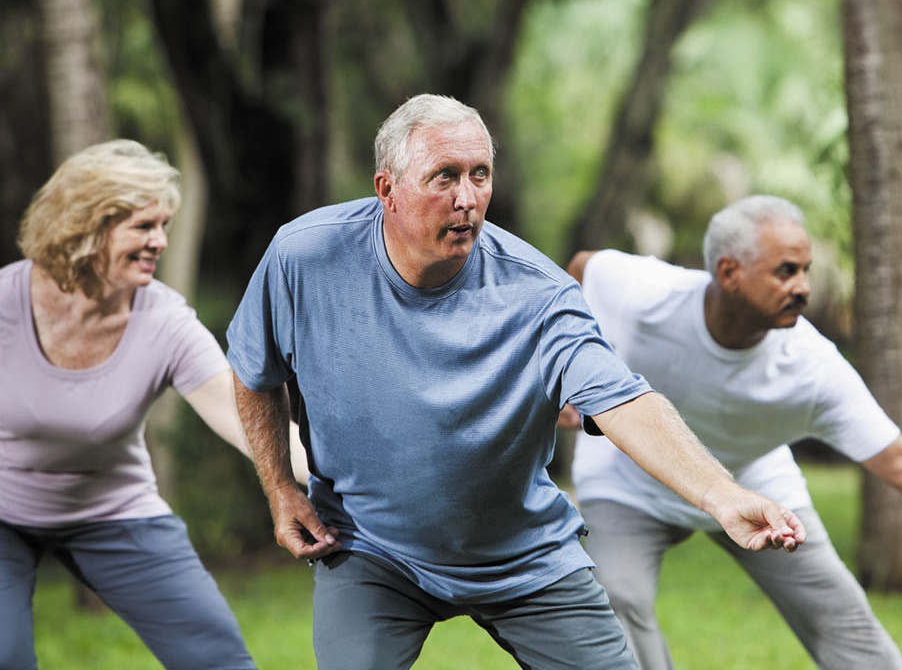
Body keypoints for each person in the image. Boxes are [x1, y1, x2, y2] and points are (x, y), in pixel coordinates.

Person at [226, 94, 806, 670]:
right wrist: (280, 488)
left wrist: (721, 495)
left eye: (480, 175)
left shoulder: (538, 295)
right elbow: (254, 368)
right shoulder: (305, 258)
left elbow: (624, 401)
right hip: (371, 546)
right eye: (445, 177)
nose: (468, 199)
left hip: (521, 554)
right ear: (387, 190)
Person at [561, 194, 902, 670]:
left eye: (806, 269)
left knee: (843, 619)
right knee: (617, 597)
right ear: (729, 273)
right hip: (629, 476)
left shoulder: (812, 365)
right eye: (787, 271)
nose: (804, 286)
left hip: (755, 486)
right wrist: (559, 369)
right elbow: (582, 268)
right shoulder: (645, 293)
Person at [1, 140, 307, 670]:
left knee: (217, 659)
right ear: (86, 226)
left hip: (114, 511)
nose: (160, 242)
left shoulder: (164, 322)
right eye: (143, 227)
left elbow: (245, 418)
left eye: (164, 226)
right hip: (3, 512)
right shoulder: (6, 301)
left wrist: (347, 471)